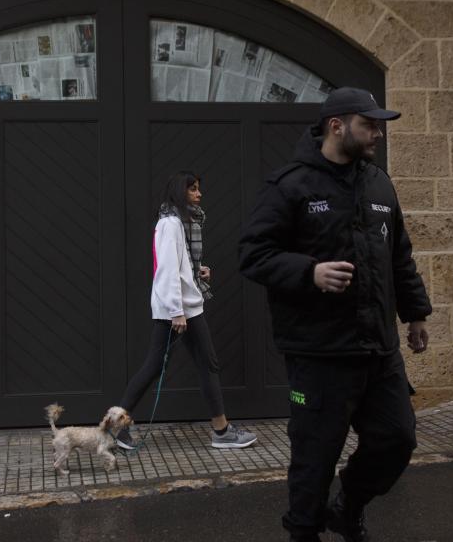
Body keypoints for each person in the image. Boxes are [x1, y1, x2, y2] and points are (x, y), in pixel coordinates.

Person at [239, 87, 431, 542]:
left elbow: (398, 255)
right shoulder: (291, 185)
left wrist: (416, 313)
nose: (377, 134)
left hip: (377, 349)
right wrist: (310, 272)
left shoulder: (379, 183)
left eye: (379, 125)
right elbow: (253, 254)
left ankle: (348, 509)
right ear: (336, 126)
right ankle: (303, 531)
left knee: (397, 439)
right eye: (369, 125)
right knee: (315, 458)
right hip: (319, 351)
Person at [116, 170, 257, 451]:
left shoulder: (180, 222)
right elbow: (166, 269)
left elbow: (179, 264)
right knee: (156, 365)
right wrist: (175, 310)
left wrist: (197, 271)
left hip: (186, 305)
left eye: (197, 189)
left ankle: (221, 430)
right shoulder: (170, 223)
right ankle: (116, 427)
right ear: (181, 192)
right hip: (179, 309)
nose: (199, 194)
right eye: (193, 189)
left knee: (205, 364)